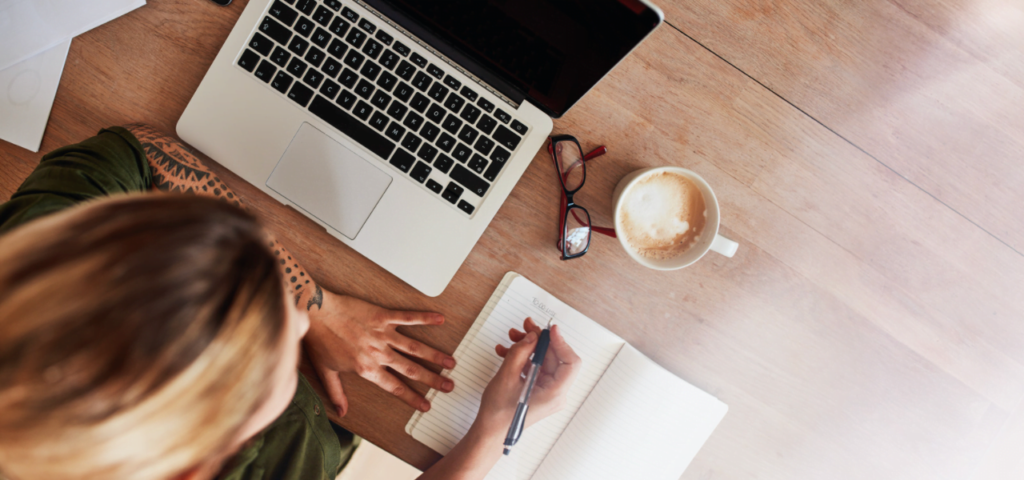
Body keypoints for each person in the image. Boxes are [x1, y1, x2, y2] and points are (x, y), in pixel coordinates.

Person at [0, 127, 582, 480]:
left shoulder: (31, 266)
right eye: (276, 345)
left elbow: (138, 149)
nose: (301, 315)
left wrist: (320, 302)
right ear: (208, 460)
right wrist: (496, 432)